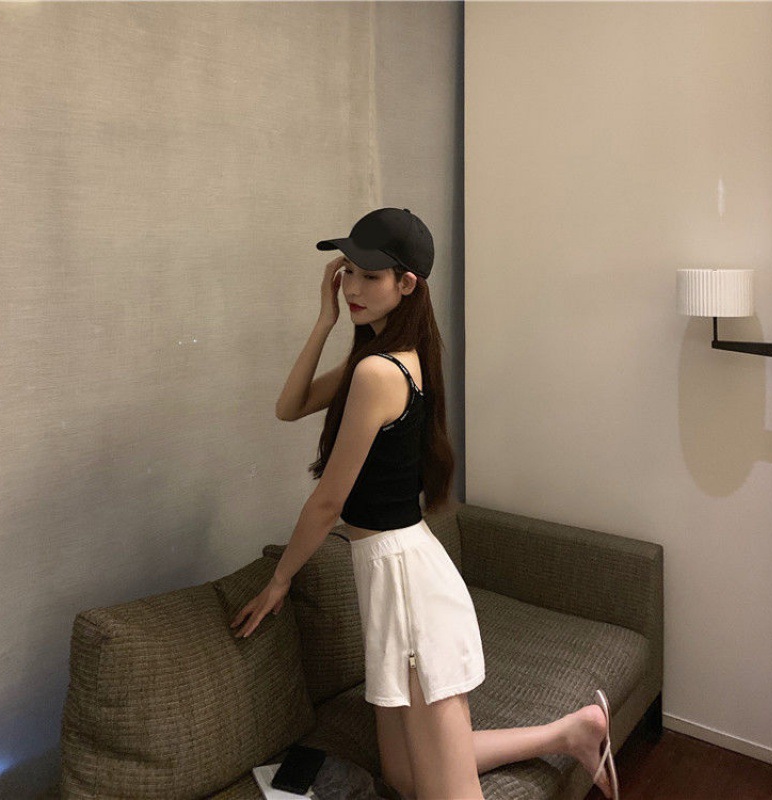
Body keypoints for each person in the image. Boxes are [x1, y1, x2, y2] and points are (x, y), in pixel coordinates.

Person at [229, 208, 619, 800]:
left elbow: (328, 501)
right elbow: (289, 406)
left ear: (406, 283)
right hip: (392, 579)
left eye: (371, 276)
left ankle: (572, 732)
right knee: (404, 778)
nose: (353, 288)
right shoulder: (382, 357)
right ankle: (570, 733)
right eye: (348, 272)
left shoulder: (380, 373)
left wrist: (280, 580)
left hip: (408, 588)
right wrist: (325, 320)